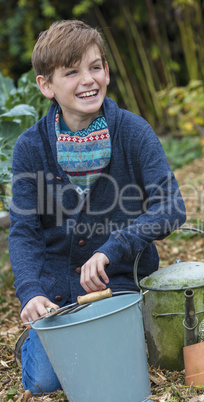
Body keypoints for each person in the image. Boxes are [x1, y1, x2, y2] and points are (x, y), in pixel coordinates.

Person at [9, 19, 186, 395]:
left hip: (118, 287)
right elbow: (24, 231)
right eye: (71, 72)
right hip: (56, 297)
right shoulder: (30, 148)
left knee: (116, 369)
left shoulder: (133, 132)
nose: (88, 80)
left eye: (95, 67)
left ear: (107, 71)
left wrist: (112, 248)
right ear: (46, 86)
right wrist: (30, 291)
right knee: (45, 381)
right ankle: (34, 342)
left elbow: (171, 207)